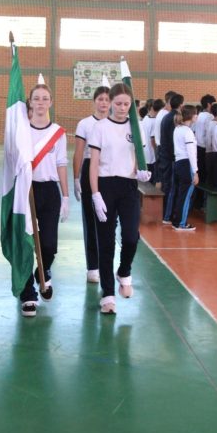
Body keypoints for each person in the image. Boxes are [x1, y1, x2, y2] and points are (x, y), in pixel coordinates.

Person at [88, 83, 150, 315]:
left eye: (127, 104)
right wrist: (95, 194)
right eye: (118, 104)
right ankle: (108, 293)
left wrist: (141, 172)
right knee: (105, 243)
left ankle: (124, 271)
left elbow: (138, 158)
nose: (123, 108)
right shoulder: (101, 127)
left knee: (131, 237)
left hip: (128, 186)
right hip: (105, 185)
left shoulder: (137, 127)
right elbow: (94, 163)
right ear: (111, 102)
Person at [21, 83, 69, 317]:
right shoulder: (21, 130)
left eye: (45, 98)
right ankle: (28, 294)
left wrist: (66, 195)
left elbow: (61, 164)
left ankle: (43, 272)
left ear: (51, 102)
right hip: (25, 190)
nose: (40, 102)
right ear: (30, 102)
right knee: (26, 244)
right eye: (36, 98)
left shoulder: (58, 133)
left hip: (49, 191)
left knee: (48, 245)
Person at [74, 85, 111, 284]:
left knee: (108, 220)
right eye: (100, 99)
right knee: (91, 219)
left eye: (107, 99)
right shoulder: (85, 124)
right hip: (90, 169)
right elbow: (79, 152)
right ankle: (93, 266)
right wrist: (76, 177)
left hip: (110, 171)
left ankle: (106, 262)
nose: (104, 103)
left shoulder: (118, 123)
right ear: (94, 101)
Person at [171, 104, 198, 231]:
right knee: (186, 195)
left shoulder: (178, 129)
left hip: (178, 163)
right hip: (186, 164)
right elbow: (191, 153)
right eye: (196, 114)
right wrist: (195, 171)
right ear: (191, 116)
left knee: (181, 194)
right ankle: (181, 222)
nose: (197, 116)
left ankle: (176, 219)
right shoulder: (187, 131)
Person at [158, 93, 184, 224]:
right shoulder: (174, 118)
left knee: (168, 185)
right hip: (170, 157)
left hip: (165, 155)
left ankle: (167, 213)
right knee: (171, 186)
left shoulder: (166, 116)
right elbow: (173, 139)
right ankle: (167, 215)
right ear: (181, 105)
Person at [141, 99, 162, 183]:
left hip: (145, 153)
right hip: (151, 155)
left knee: (146, 181)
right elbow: (153, 140)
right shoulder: (154, 121)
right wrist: (157, 153)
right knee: (152, 181)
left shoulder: (145, 118)